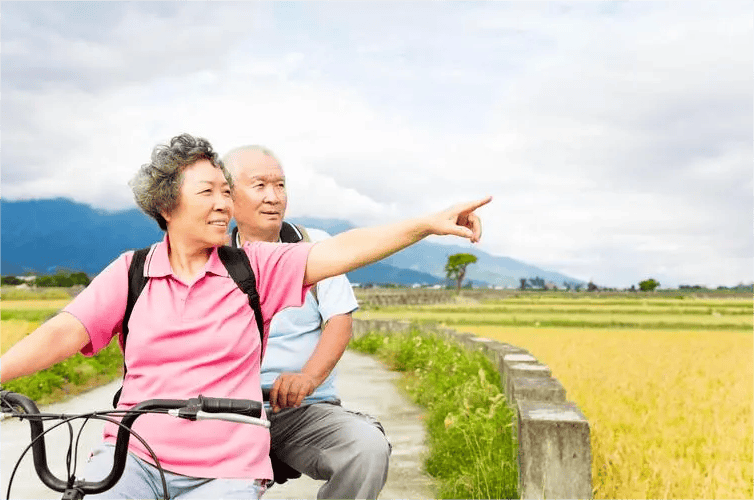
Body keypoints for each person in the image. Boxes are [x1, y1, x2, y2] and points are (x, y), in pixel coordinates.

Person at [0, 132, 490, 500]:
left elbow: (343, 250)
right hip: (134, 454)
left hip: (226, 464)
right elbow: (65, 332)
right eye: (208, 193)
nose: (223, 205)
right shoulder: (130, 272)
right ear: (167, 206)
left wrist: (425, 224)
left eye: (224, 193)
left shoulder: (255, 268)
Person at [222, 145, 388, 499]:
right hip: (226, 412)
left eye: (280, 186)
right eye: (259, 186)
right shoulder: (212, 254)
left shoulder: (314, 246)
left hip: (302, 409)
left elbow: (339, 321)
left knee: (366, 449)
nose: (273, 197)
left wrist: (308, 378)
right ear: (228, 195)